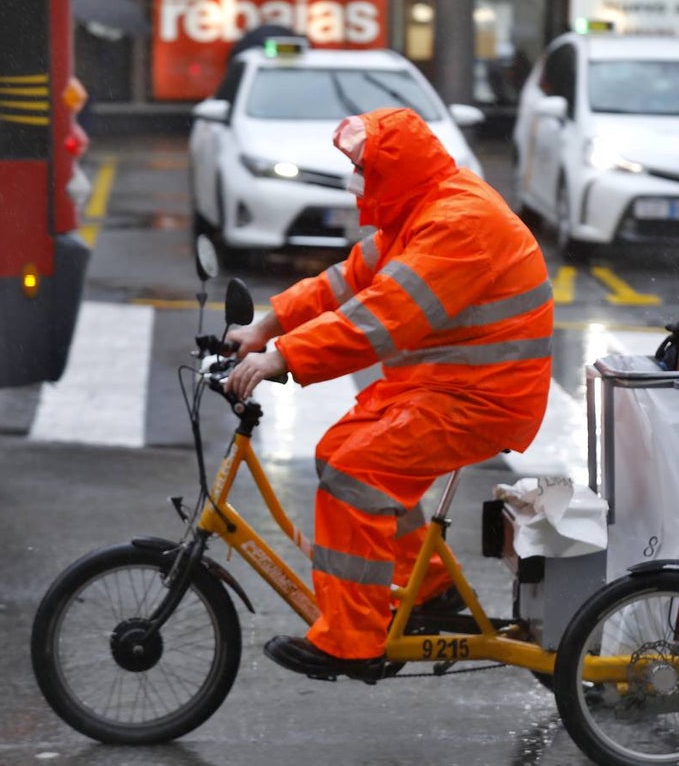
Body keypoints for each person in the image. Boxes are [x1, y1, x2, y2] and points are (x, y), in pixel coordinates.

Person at [225, 107, 554, 681]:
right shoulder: (419, 209)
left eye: (362, 168)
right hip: (441, 385)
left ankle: (352, 642)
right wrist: (267, 324)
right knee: (340, 453)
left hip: (480, 397)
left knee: (357, 471)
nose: (356, 180)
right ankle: (429, 592)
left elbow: (381, 317)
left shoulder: (457, 222)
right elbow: (347, 281)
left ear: (392, 170)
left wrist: (284, 356)